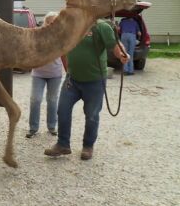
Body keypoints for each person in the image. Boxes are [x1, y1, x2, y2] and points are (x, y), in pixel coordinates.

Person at [44, 20, 129, 160]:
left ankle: (88, 146)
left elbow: (115, 45)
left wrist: (122, 54)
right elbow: (63, 49)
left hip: (95, 81)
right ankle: (63, 144)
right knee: (62, 110)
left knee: (92, 115)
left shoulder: (101, 27)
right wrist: (68, 71)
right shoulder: (71, 25)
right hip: (73, 80)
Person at [26, 12, 63, 138]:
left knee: (52, 100)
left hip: (55, 73)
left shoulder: (61, 36)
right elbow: (30, 51)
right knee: (35, 99)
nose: (52, 24)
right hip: (38, 73)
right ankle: (33, 128)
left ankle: (52, 126)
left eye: (55, 22)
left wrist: (69, 71)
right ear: (45, 22)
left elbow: (65, 55)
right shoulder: (37, 35)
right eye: (50, 22)